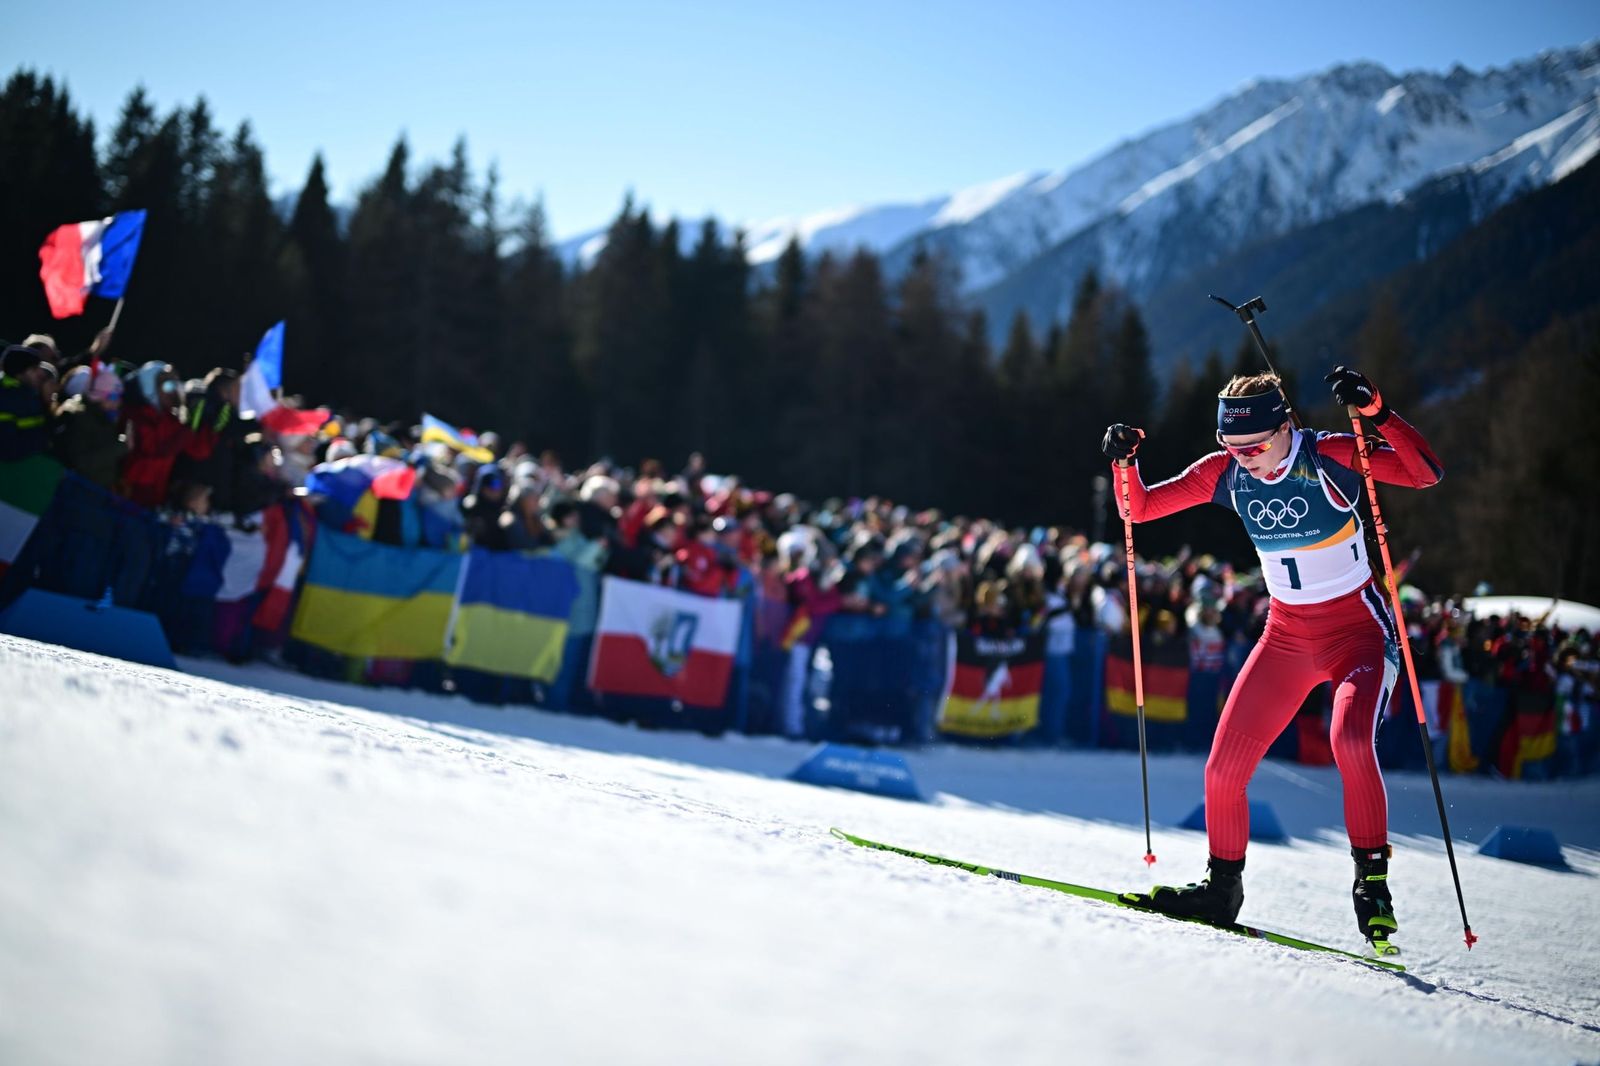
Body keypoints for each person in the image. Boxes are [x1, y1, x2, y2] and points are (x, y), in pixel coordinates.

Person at [1101, 366, 1442, 953]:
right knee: (1222, 769)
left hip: (1357, 634)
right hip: (1285, 635)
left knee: (1351, 742)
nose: (1246, 460)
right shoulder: (1226, 474)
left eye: (1255, 446)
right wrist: (1124, 464)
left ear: (1286, 426)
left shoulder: (1331, 454)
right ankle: (1221, 889)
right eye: (1231, 448)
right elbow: (1139, 511)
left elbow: (1425, 473)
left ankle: (1371, 884)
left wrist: (1377, 411)